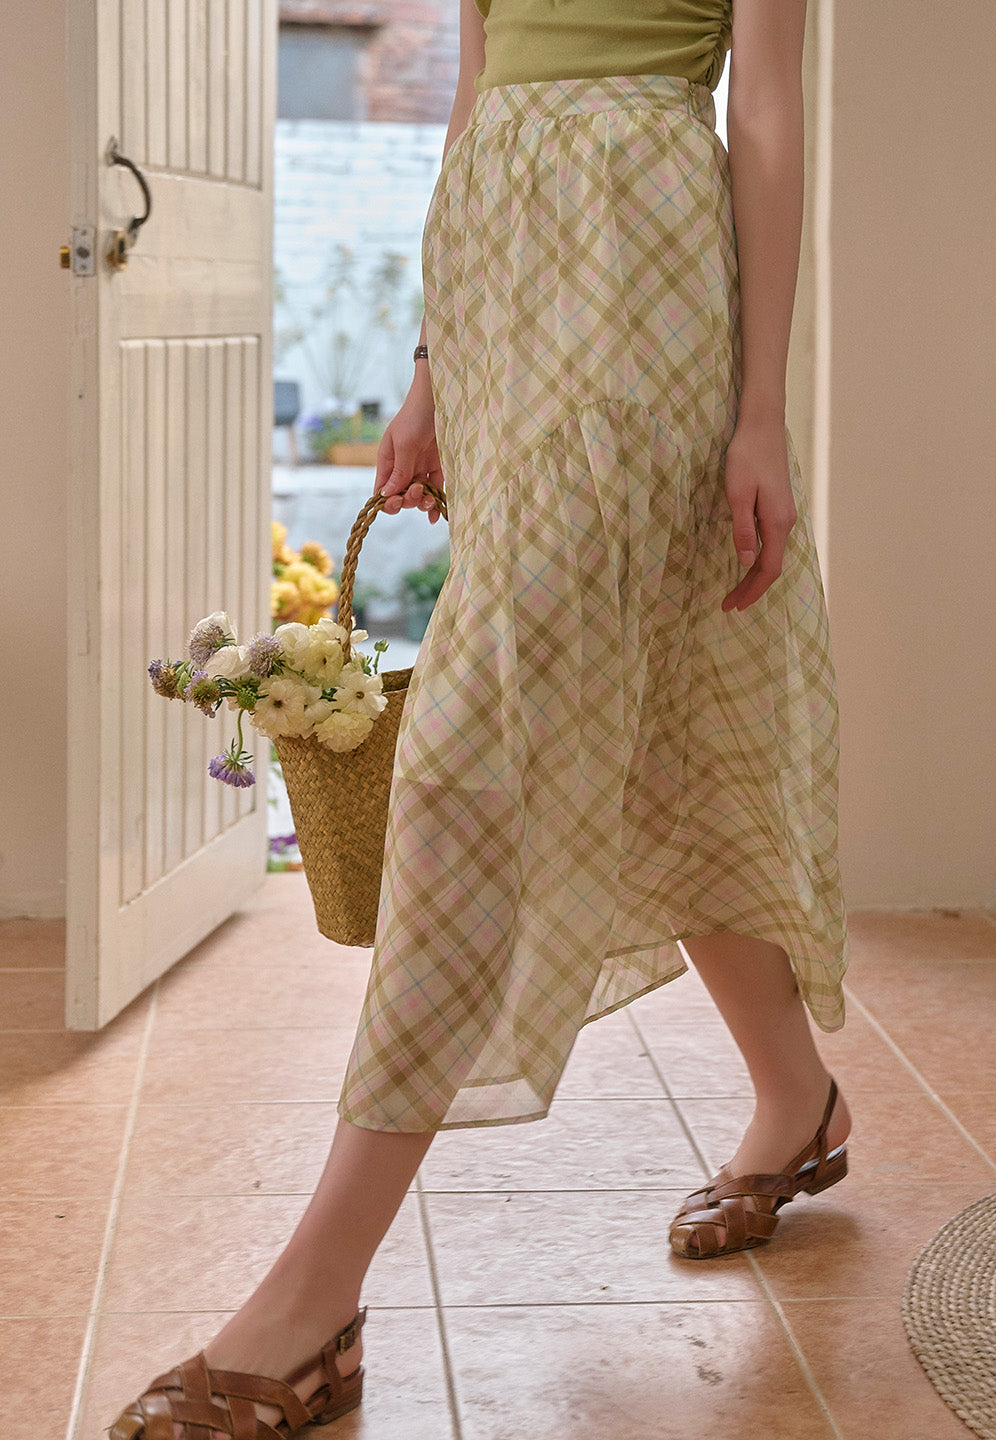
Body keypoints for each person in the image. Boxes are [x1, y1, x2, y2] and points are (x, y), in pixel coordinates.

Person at [110, 0, 851, 1434]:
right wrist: (432, 371)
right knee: (661, 726)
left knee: (474, 755)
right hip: (503, 285)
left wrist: (760, 407)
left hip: (643, 280)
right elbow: (474, 98)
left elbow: (763, 107)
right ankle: (797, 1100)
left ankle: (314, 1296)